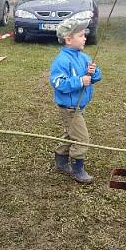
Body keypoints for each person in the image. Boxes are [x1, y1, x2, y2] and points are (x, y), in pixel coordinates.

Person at [49, 16, 102, 184]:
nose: (85, 37)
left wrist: (93, 73)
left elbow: (97, 76)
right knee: (81, 138)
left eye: (84, 34)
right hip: (69, 108)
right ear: (68, 39)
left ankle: (61, 160)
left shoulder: (84, 57)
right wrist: (80, 81)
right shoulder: (61, 60)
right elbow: (58, 83)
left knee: (71, 133)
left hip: (79, 106)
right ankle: (77, 169)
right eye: (81, 35)